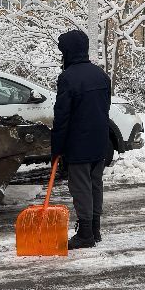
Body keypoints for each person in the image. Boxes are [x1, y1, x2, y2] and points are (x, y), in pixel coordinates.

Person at [52, 29, 113, 250]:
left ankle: (85, 233)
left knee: (81, 187)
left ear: (68, 51)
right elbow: (104, 109)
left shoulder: (68, 78)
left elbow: (62, 118)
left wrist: (56, 148)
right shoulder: (101, 75)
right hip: (100, 142)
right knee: (96, 184)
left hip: (79, 144)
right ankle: (95, 229)